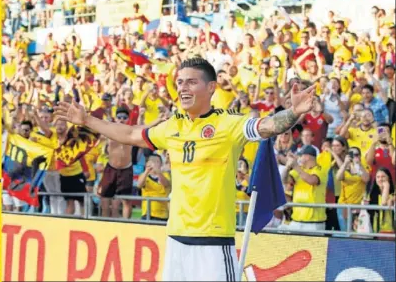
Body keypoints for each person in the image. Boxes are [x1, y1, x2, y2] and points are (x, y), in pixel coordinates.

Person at [54, 57, 315, 281]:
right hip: (176, 239)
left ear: (211, 87)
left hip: (213, 243)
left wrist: (293, 111)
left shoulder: (229, 124)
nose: (183, 88)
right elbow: (131, 133)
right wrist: (87, 120)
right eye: (180, 82)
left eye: (191, 82)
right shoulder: (172, 127)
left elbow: (268, 126)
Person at [97, 107, 135, 219]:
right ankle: (104, 223)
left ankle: (126, 225)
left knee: (126, 201)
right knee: (105, 200)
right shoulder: (109, 131)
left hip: (126, 169)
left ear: (128, 119)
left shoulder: (132, 132)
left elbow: (145, 127)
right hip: (111, 168)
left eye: (124, 118)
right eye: (119, 117)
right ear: (116, 119)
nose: (121, 120)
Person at [137, 153, 171, 221]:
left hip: (162, 215)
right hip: (147, 214)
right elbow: (139, 185)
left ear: (161, 164)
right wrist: (147, 171)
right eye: (152, 161)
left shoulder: (166, 175)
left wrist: (158, 171)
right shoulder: (143, 175)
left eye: (157, 162)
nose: (154, 164)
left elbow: (165, 184)